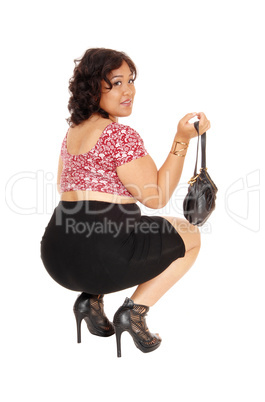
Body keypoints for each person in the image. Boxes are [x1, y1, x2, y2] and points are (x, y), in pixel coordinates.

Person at [40, 48, 211, 358]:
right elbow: (157, 197)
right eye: (116, 83)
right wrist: (181, 139)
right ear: (93, 88)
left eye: (130, 80)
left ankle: (90, 301)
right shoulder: (120, 136)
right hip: (102, 259)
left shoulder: (72, 133)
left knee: (130, 227)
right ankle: (133, 313)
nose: (128, 90)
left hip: (56, 257)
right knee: (192, 236)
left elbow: (62, 185)